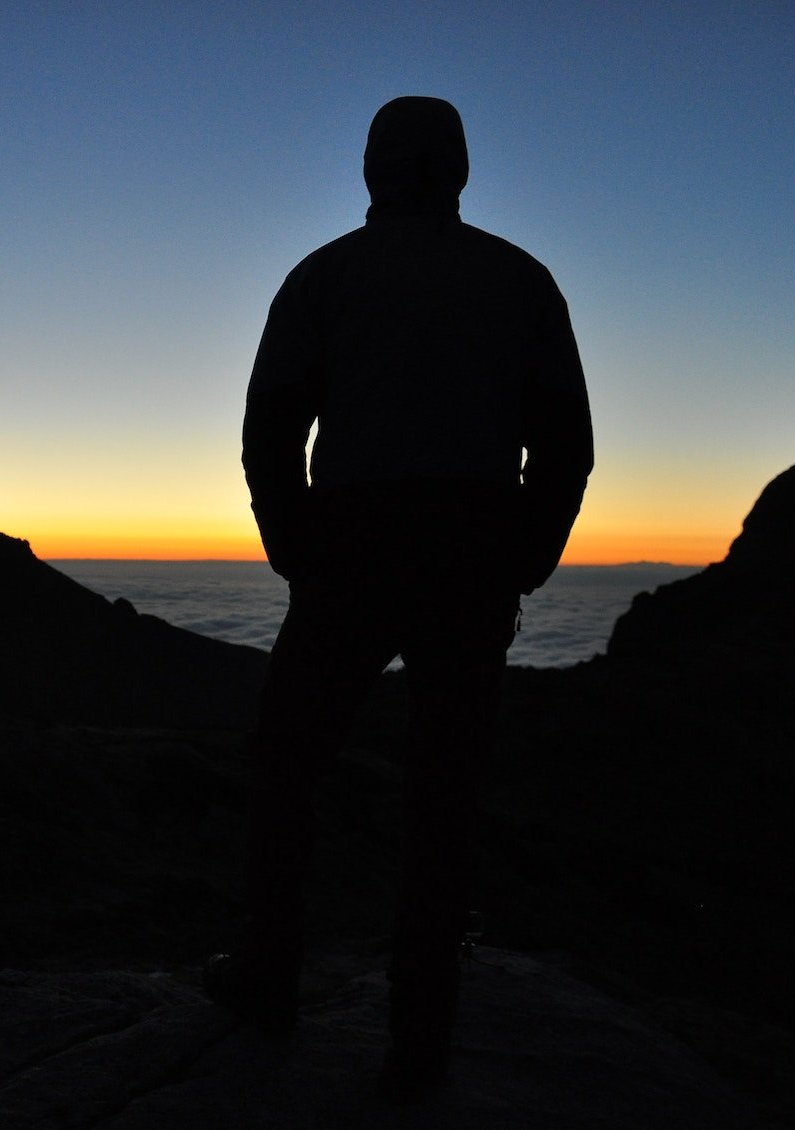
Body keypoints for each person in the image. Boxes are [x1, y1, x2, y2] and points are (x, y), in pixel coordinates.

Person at [203, 96, 593, 1098]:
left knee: (289, 762)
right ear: (458, 171)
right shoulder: (517, 279)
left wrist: (297, 545)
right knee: (443, 790)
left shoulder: (327, 275)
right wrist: (522, 560)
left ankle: (269, 978)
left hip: (355, 544)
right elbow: (563, 443)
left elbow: (269, 427)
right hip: (465, 548)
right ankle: (419, 1033)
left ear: (373, 168)